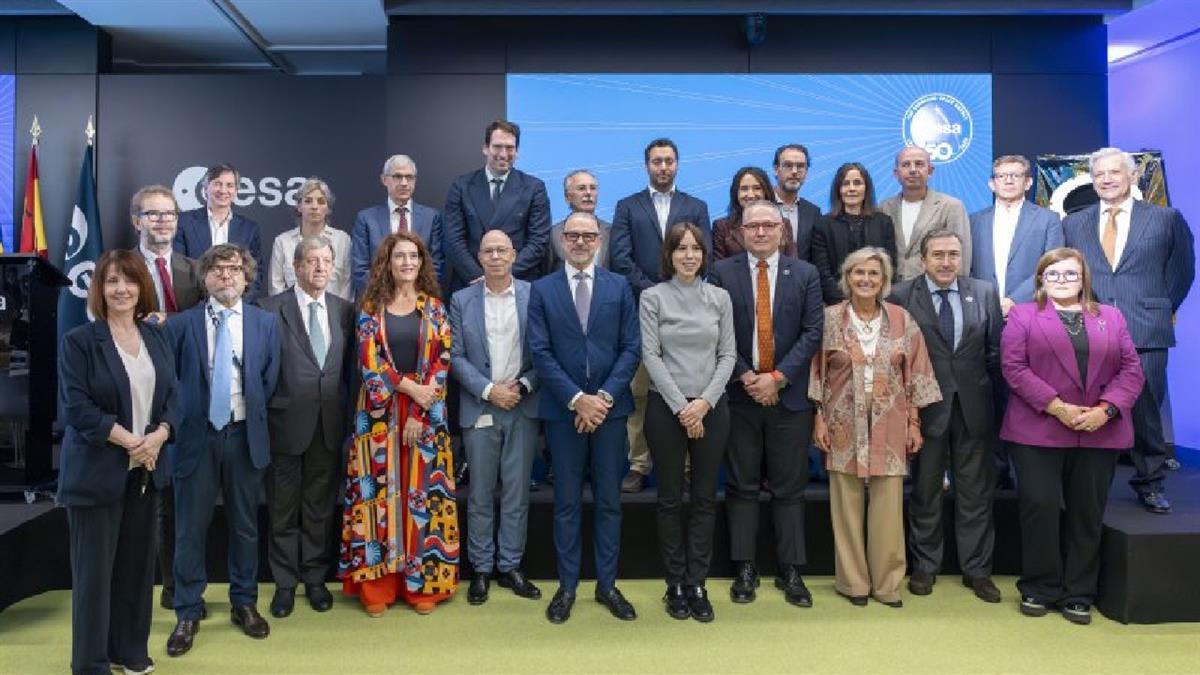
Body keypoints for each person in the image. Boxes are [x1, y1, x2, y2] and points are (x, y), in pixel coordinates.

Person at [1001, 247, 1144, 625]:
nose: (1062, 281)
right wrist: (1058, 407)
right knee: (1040, 509)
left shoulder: (1111, 317)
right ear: (1041, 280)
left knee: (1086, 513)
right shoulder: (1022, 315)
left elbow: (1132, 371)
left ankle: (1078, 593)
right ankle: (1039, 587)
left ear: (1084, 279)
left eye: (1070, 274)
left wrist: (1106, 410)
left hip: (1100, 431)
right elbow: (1014, 369)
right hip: (1039, 430)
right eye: (1054, 275)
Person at [58, 250, 178, 675]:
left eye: (128, 281)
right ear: (100, 289)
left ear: (142, 287)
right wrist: (132, 442)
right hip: (97, 474)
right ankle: (90, 663)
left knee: (135, 567)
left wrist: (160, 435)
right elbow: (78, 408)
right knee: (93, 577)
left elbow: (173, 399)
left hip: (145, 472)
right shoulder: (79, 341)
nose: (121, 289)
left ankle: (129, 651)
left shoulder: (157, 337)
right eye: (111, 282)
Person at [1063, 147, 1194, 513]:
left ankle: (1150, 482)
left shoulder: (1166, 218)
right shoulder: (1073, 223)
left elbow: (1182, 270)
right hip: (1091, 330)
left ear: (1133, 176)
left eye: (1114, 173)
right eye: (1099, 174)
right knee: (1092, 405)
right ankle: (1089, 487)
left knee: (1146, 408)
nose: (1106, 179)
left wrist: (1162, 307)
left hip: (1146, 328)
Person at [165, 244, 280, 658]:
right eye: (217, 269)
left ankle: (244, 602)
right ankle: (187, 610)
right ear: (205, 278)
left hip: (244, 434)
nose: (226, 275)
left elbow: (268, 380)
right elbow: (170, 383)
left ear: (247, 278)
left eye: (234, 269)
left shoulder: (266, 324)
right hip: (196, 439)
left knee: (245, 526)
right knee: (189, 527)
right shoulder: (181, 325)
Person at [810, 247, 941, 608]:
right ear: (847, 278)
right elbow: (817, 372)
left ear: (884, 280)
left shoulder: (902, 319)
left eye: (874, 274)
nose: (866, 280)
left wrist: (915, 423)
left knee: (887, 505)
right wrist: (818, 417)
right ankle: (853, 583)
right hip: (841, 420)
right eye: (858, 273)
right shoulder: (829, 318)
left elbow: (915, 375)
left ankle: (886, 584)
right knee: (846, 504)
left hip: (891, 420)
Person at [708, 200, 824, 608]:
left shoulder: (806, 274)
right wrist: (746, 376)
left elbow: (813, 332)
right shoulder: (721, 273)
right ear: (739, 232)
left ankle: (791, 570)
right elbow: (716, 332)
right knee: (740, 485)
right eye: (752, 226)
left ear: (782, 231)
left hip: (788, 396)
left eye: (768, 226)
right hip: (739, 394)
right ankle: (744, 567)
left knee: (789, 487)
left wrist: (777, 378)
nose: (760, 232)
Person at [528, 211, 641, 624]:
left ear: (599, 241)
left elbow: (632, 348)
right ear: (561, 241)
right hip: (563, 413)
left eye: (587, 236)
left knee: (610, 503)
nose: (579, 242)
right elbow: (540, 353)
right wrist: (578, 400)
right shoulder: (542, 290)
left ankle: (607, 586)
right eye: (572, 235)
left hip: (610, 414)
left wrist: (602, 399)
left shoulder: (620, 286)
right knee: (566, 504)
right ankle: (567, 587)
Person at [338, 231, 459, 616]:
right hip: (378, 418)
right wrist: (408, 387)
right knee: (378, 498)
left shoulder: (435, 309)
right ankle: (378, 586)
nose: (407, 263)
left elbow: (442, 361)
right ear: (387, 264)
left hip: (425, 416)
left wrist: (422, 409)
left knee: (422, 497)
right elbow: (370, 363)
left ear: (422, 263)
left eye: (414, 257)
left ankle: (422, 585)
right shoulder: (371, 307)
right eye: (399, 256)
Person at [888, 229, 1004, 603]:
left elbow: (995, 354)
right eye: (937, 254)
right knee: (925, 491)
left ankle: (977, 571)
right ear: (923, 259)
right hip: (924, 410)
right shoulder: (903, 295)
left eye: (953, 254)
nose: (946, 262)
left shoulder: (983, 292)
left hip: (974, 408)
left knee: (975, 493)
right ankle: (925, 566)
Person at [639, 222, 735, 622]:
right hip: (666, 409)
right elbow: (651, 356)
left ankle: (697, 582)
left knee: (703, 500)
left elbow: (728, 355)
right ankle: (674, 583)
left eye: (696, 249)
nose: (689, 255)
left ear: (704, 254)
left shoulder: (720, 298)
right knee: (668, 499)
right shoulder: (652, 297)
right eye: (681, 249)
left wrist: (703, 405)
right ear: (670, 255)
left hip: (712, 409)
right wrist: (683, 408)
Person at [258, 235, 355, 619]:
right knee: (283, 509)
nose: (319, 268)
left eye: (325, 261)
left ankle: (315, 579)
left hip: (329, 425)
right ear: (296, 267)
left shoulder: (345, 310)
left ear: (333, 268)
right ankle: (284, 584)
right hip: (284, 424)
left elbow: (348, 371)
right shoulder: (268, 309)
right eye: (311, 261)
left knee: (318, 508)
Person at [609, 137, 711, 493]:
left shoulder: (695, 206)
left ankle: (683, 465)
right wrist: (657, 292)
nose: (663, 167)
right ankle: (638, 464)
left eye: (669, 161)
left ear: (678, 164)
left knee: (683, 387)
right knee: (640, 392)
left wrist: (675, 292)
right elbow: (621, 259)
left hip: (687, 314)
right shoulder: (627, 206)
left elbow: (702, 255)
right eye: (656, 161)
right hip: (641, 311)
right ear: (647, 165)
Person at [450, 230, 543, 605]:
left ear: (514, 255)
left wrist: (521, 385)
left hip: (521, 405)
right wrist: (490, 390)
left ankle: (510, 566)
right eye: (488, 250)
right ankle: (482, 569)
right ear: (479, 256)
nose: (495, 256)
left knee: (517, 493)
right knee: (481, 494)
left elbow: (545, 351)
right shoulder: (461, 299)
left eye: (501, 250)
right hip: (481, 407)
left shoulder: (534, 296)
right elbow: (455, 356)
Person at [125, 184, 203, 614]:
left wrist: (165, 321)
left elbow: (208, 321)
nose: (163, 222)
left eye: (169, 214)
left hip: (187, 396)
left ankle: (176, 590)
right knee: (143, 501)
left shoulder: (193, 270)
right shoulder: (123, 268)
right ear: (137, 221)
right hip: (138, 397)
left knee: (178, 501)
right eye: (153, 215)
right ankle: (136, 594)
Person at [442, 119, 551, 289]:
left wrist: (504, 275)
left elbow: (538, 241)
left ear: (517, 151)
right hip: (471, 283)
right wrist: (479, 277)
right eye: (497, 146)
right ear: (485, 148)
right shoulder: (461, 186)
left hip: (518, 283)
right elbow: (453, 240)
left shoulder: (534, 188)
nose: (503, 153)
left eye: (510, 148)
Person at [969, 155, 1064, 318]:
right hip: (982, 313)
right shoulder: (973, 221)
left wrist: (1015, 300)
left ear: (1028, 183)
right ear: (992, 184)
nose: (1008, 181)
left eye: (1015, 175)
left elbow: (1052, 267)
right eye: (1001, 176)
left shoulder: (1049, 219)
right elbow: (968, 268)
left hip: (1032, 312)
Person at [350, 154, 443, 296]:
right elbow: (360, 270)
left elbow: (436, 266)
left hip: (420, 301)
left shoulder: (431, 218)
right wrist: (390, 297)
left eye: (409, 177)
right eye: (398, 177)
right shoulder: (366, 219)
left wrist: (411, 295)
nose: (404, 183)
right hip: (377, 301)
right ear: (384, 179)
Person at [173, 163, 265, 300]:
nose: (223, 190)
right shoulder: (184, 222)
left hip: (237, 306)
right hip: (194, 304)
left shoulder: (249, 228)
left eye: (229, 185)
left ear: (236, 190)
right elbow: (178, 269)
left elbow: (255, 274)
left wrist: (239, 304)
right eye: (217, 184)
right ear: (205, 188)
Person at [879, 146, 972, 280]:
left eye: (919, 164)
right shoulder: (884, 208)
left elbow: (961, 257)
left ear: (930, 170)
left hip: (933, 291)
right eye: (906, 165)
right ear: (896, 173)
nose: (912, 170)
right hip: (892, 292)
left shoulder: (950, 206)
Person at [811, 163, 898, 305]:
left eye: (857, 183)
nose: (851, 189)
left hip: (877, 303)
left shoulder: (883, 222)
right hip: (836, 304)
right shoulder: (823, 224)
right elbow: (822, 273)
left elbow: (890, 267)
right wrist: (845, 303)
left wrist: (873, 300)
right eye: (846, 184)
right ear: (838, 190)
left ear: (866, 189)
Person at [268, 177, 352, 300]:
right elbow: (276, 287)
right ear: (298, 206)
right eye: (308, 201)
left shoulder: (342, 240)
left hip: (334, 315)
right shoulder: (282, 242)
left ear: (328, 208)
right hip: (291, 315)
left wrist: (338, 314)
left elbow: (347, 285)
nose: (314, 206)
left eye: (321, 201)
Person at [712, 167, 798, 260]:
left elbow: (792, 265)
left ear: (766, 191)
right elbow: (718, 269)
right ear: (736, 193)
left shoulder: (784, 224)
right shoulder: (722, 227)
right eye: (744, 189)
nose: (751, 194)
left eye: (757, 188)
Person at [545, 169, 611, 273]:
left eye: (593, 188)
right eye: (581, 188)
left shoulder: (612, 231)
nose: (589, 193)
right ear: (567, 197)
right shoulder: (553, 234)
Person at [771, 143, 821, 261]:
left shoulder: (813, 212)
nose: (794, 171)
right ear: (776, 169)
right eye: (788, 165)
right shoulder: (760, 206)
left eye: (800, 166)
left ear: (806, 172)